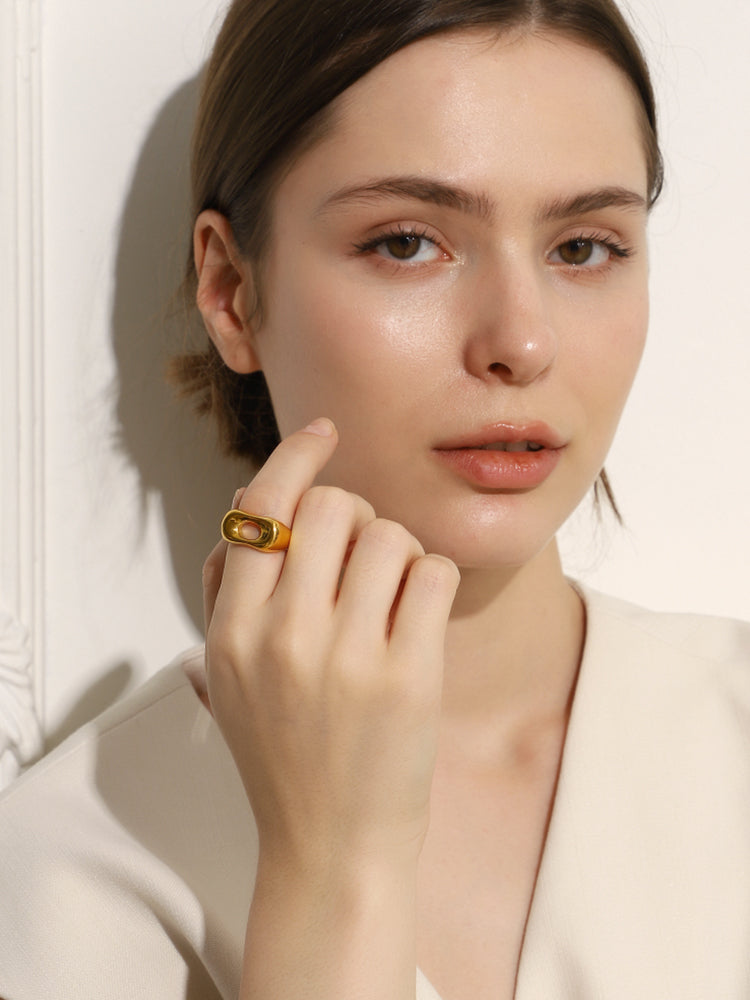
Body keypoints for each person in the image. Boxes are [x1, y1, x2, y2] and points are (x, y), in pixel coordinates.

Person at [1, 1, 748, 998]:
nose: (521, 342)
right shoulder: (77, 854)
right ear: (231, 291)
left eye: (583, 247)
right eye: (406, 243)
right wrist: (328, 874)